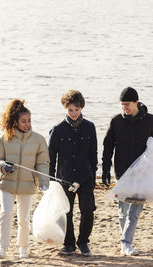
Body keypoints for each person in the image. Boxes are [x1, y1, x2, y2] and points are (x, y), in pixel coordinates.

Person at [102, 87, 153, 256]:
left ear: (136, 102)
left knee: (134, 211)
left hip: (143, 173)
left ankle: (126, 243)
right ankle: (125, 241)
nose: (124, 108)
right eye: (122, 105)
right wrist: (105, 169)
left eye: (127, 104)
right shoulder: (116, 121)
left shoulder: (150, 120)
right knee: (123, 211)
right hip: (121, 172)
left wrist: (149, 158)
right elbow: (107, 147)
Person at [0, 99, 49, 259]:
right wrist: (2, 165)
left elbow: (43, 163)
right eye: (23, 121)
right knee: (6, 213)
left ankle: (23, 247)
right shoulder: (4, 138)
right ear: (15, 121)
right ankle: (2, 247)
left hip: (28, 184)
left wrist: (44, 184)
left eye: (29, 121)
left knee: (23, 219)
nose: (27, 124)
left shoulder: (38, 140)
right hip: (6, 183)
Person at [48, 90, 97, 256]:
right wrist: (51, 180)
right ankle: (69, 244)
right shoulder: (57, 130)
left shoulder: (90, 128)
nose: (74, 113)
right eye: (70, 110)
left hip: (86, 177)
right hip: (65, 178)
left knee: (88, 209)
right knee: (66, 212)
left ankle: (83, 242)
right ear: (65, 108)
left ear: (81, 108)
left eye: (77, 109)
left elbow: (93, 154)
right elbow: (51, 157)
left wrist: (94, 174)